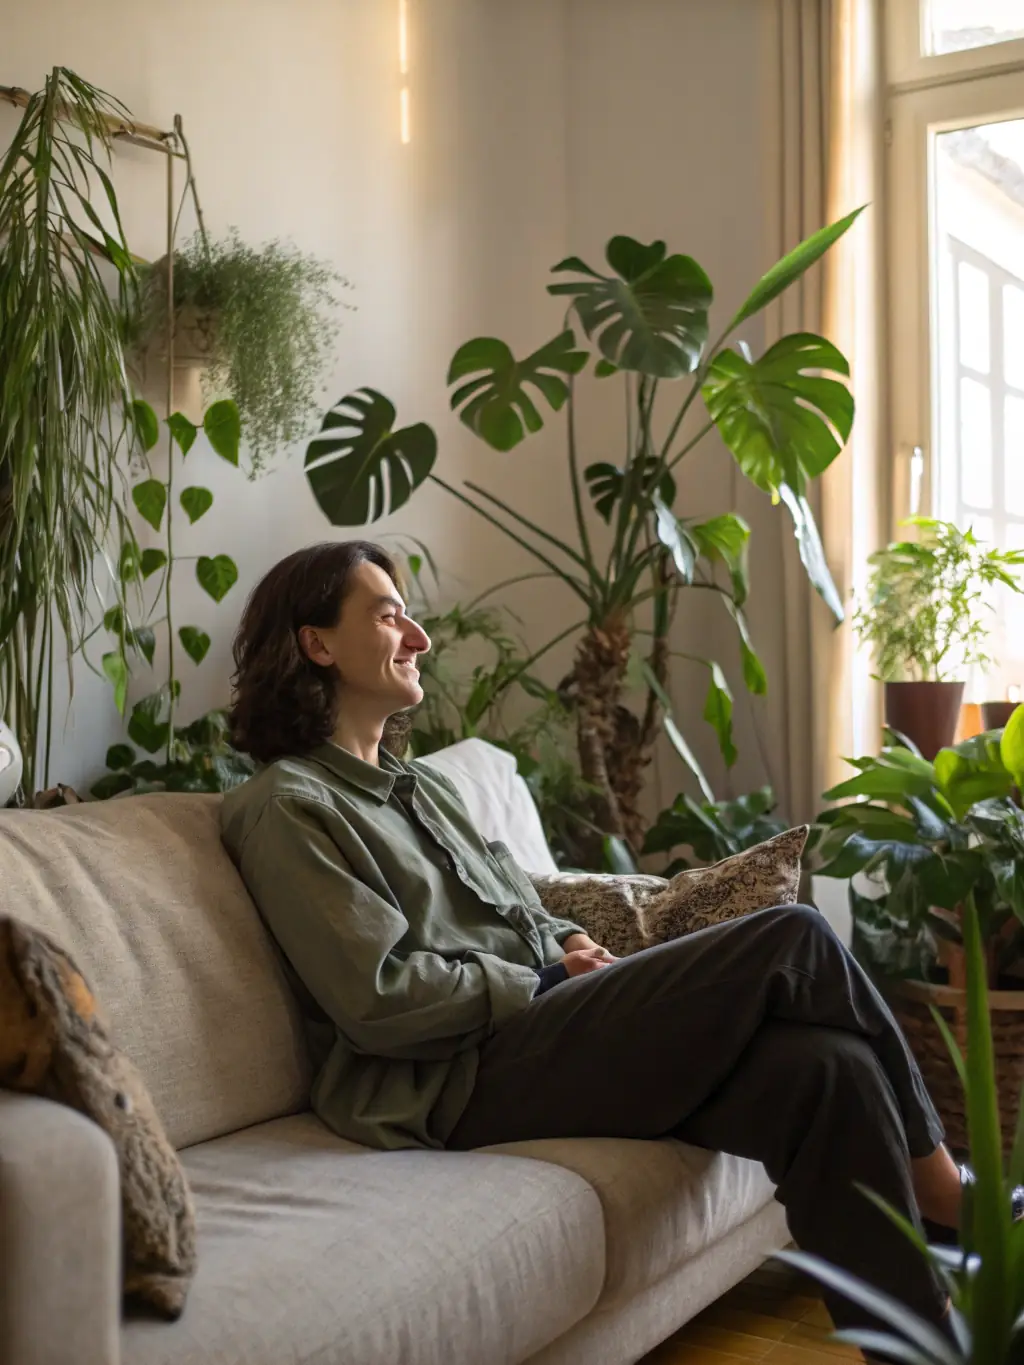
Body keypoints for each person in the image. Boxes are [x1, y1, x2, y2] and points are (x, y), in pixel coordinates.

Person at [220, 540, 971, 1341]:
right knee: (794, 937)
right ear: (317, 643)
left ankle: (926, 1343)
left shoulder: (423, 787)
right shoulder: (288, 806)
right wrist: (542, 983)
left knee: (827, 1071)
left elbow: (518, 905)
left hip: (535, 1025)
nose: (419, 638)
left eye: (410, 616)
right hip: (449, 1076)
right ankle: (952, 1194)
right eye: (388, 614)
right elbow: (378, 997)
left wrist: (568, 940)